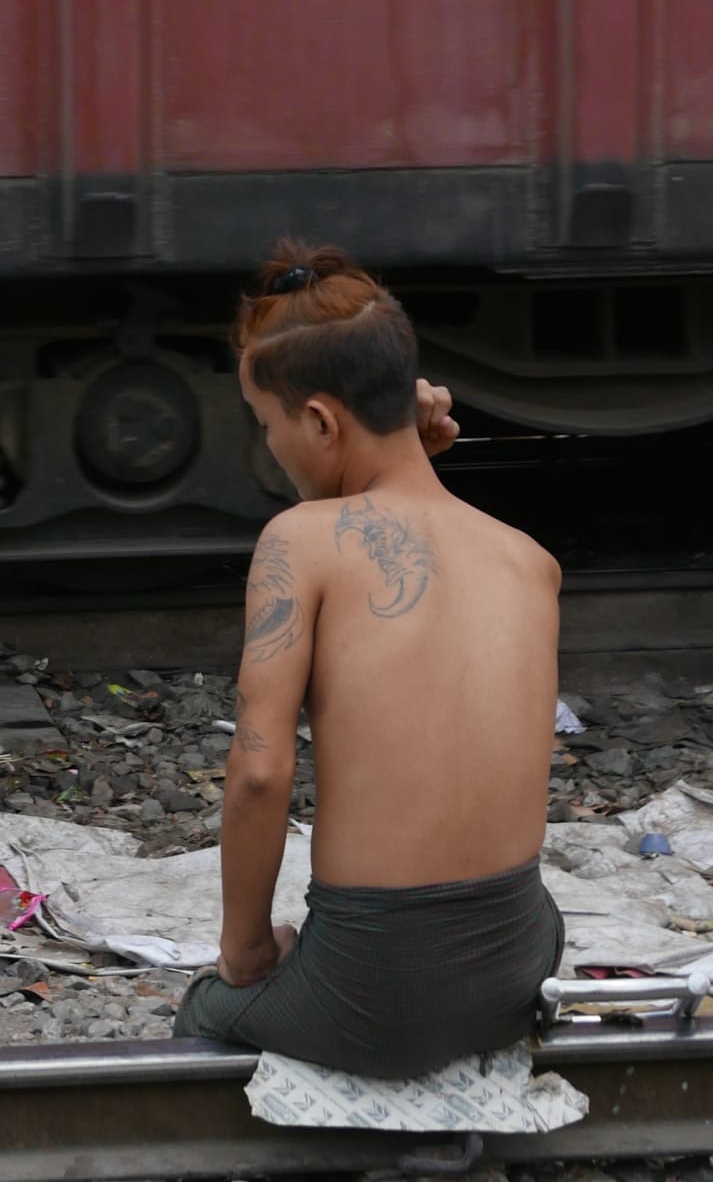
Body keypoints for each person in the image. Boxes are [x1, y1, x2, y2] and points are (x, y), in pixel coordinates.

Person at [176, 241, 562, 1078]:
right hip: (517, 961)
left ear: (318, 420)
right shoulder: (529, 558)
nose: (272, 445)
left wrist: (243, 952)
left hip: (378, 984)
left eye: (269, 424)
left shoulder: (299, 542)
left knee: (207, 1008)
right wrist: (400, 447)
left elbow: (257, 774)